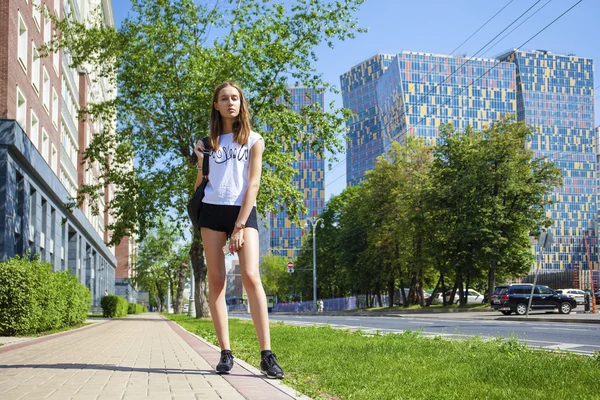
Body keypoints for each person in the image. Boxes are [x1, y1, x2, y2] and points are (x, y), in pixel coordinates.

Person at [193, 81, 284, 379]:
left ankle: (267, 355)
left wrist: (240, 225)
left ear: (241, 104)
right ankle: (225, 353)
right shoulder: (208, 143)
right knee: (216, 282)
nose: (230, 102)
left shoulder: (253, 139)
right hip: (211, 212)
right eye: (224, 98)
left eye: (235, 98)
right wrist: (199, 163)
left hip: (242, 210)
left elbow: (253, 184)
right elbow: (200, 187)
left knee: (250, 276)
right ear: (216, 105)